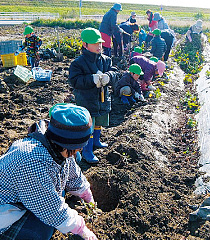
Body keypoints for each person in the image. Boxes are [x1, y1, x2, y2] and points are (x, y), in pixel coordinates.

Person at [0, 103, 97, 240]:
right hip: (5, 208)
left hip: (25, 194)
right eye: (77, 148)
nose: (78, 151)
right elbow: (52, 211)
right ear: (68, 145)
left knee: (63, 187)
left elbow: (71, 170)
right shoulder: (32, 163)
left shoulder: (55, 143)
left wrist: (86, 194)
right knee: (41, 231)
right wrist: (81, 229)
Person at [69, 28, 118, 163]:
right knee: (89, 125)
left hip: (102, 99)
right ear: (85, 44)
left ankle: (97, 141)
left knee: (99, 121)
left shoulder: (106, 60)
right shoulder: (78, 63)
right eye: (95, 44)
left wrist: (109, 76)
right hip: (87, 100)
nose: (99, 46)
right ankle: (87, 151)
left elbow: (115, 72)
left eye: (100, 43)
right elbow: (75, 81)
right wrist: (92, 79)